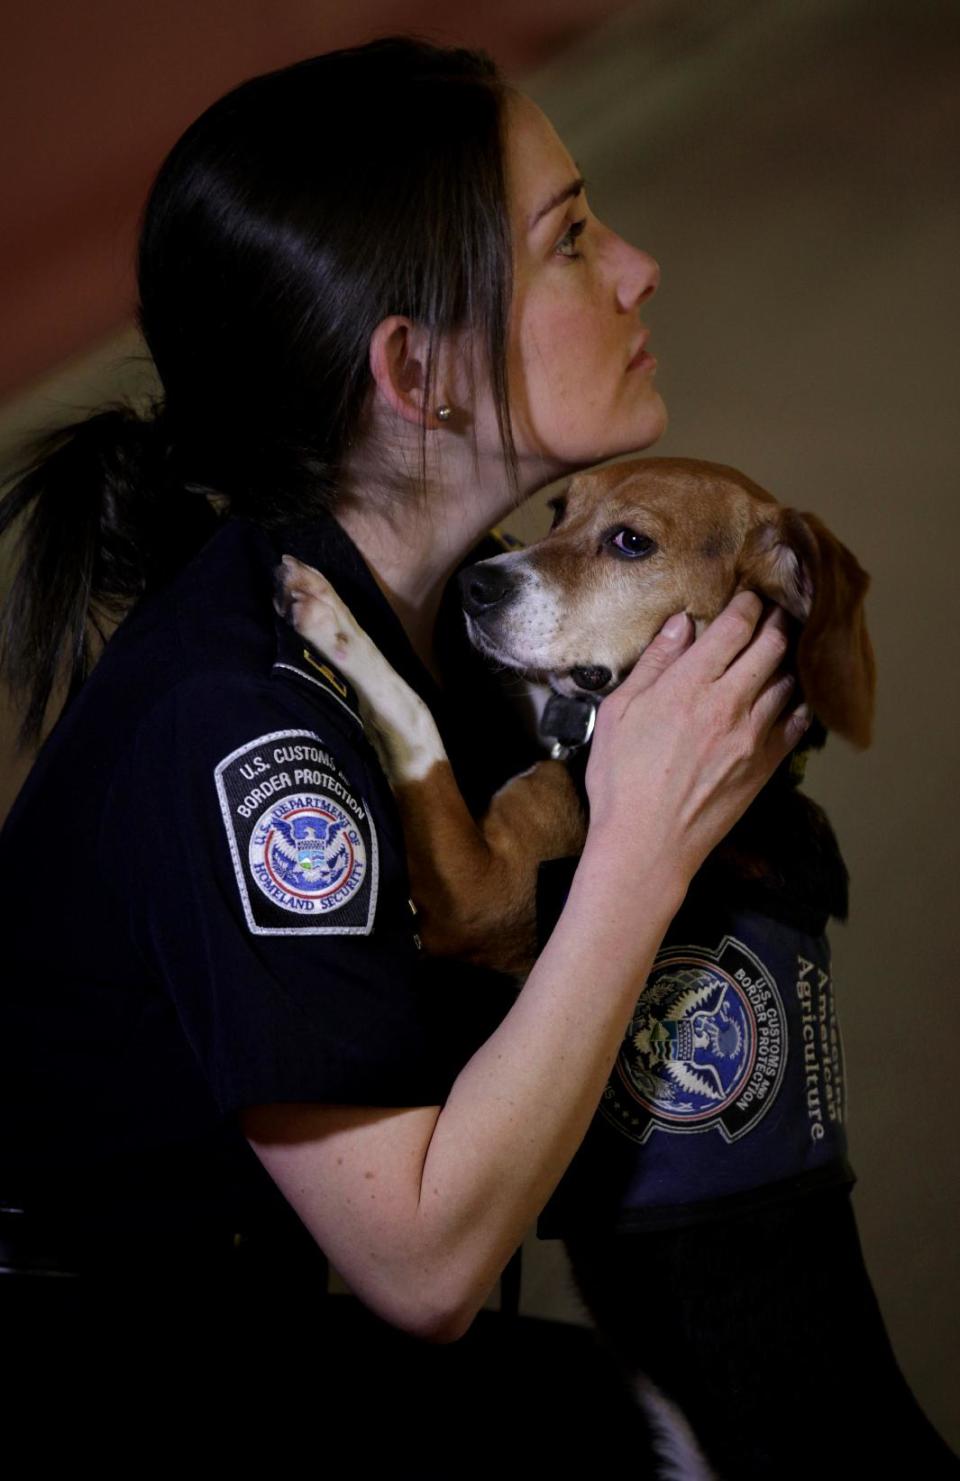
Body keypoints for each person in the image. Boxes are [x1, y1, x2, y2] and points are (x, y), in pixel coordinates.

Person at [0, 36, 807, 1463]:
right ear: (415, 371)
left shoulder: (463, 619)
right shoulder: (249, 719)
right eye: (569, 241)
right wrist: (639, 842)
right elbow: (425, 1265)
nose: (638, 267)